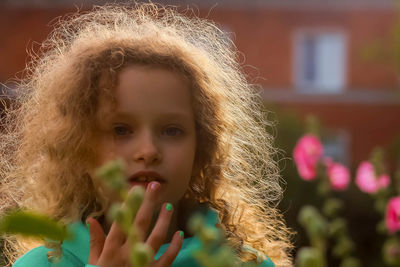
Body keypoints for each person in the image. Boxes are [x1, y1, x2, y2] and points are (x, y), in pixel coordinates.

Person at [0, 2, 293, 267]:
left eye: (172, 130)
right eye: (121, 130)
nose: (149, 150)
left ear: (202, 148)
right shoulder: (40, 264)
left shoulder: (245, 263)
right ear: (77, 146)